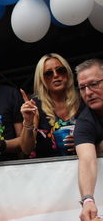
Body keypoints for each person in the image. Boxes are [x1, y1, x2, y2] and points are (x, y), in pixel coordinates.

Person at [20, 53, 81, 158]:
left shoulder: (83, 99)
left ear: (67, 73)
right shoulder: (36, 105)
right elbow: (26, 149)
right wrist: (28, 122)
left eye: (60, 70)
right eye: (48, 73)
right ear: (42, 79)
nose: (56, 75)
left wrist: (83, 142)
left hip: (84, 165)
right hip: (50, 171)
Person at [73, 59, 103, 221]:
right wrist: (88, 200)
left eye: (94, 84)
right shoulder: (84, 121)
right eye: (83, 87)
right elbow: (87, 160)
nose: (88, 92)